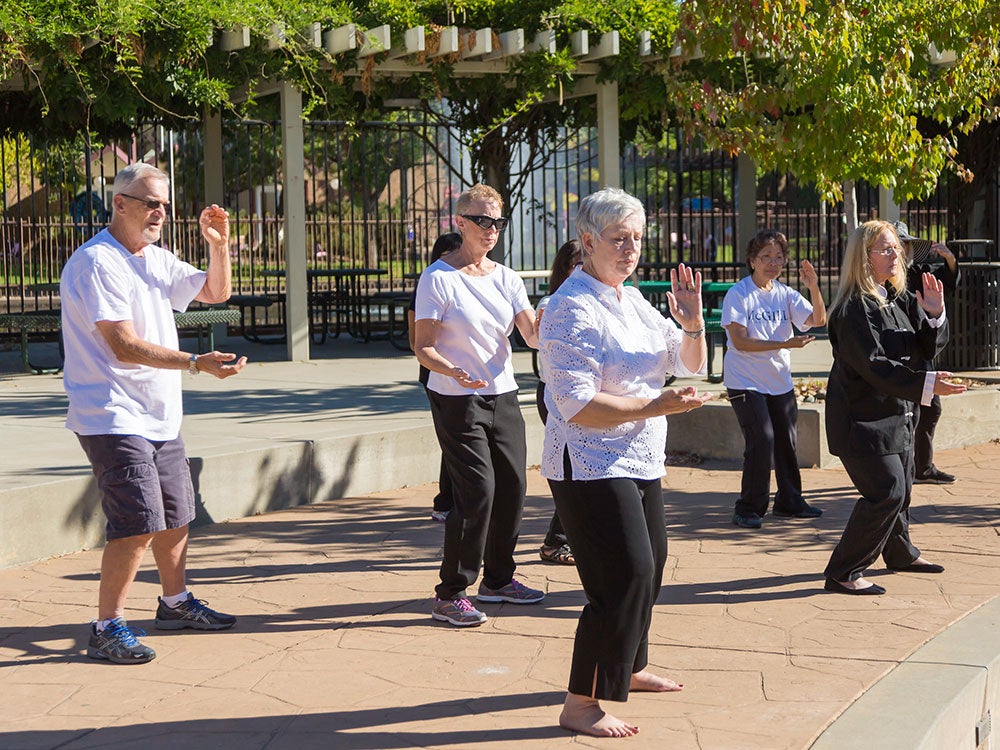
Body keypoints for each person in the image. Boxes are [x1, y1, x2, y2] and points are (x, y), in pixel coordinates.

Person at [539, 187, 712, 737]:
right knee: (622, 577)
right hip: (587, 459)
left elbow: (688, 365)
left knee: (652, 564)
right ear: (588, 243)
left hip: (639, 454)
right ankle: (581, 704)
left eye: (638, 238)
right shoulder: (569, 308)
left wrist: (692, 323)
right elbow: (578, 405)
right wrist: (656, 403)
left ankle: (628, 668)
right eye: (619, 239)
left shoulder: (631, 299)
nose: (631, 248)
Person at [60, 163, 248, 664]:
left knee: (176, 513)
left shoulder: (154, 258)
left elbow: (214, 293)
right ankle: (106, 626)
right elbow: (122, 345)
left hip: (159, 413)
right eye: (150, 203)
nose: (160, 212)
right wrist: (194, 362)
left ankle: (175, 602)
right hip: (111, 413)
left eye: (165, 204)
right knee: (137, 522)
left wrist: (218, 244)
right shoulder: (97, 262)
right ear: (119, 203)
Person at [413, 183, 544, 627]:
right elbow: (423, 346)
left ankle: (499, 580)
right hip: (456, 399)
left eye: (498, 223)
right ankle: (451, 592)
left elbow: (533, 336)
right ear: (461, 222)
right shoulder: (438, 277)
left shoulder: (508, 278)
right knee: (478, 493)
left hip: (503, 394)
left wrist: (559, 314)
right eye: (482, 221)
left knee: (512, 487)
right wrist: (452, 370)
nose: (491, 230)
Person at [822, 220, 966, 596]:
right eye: (885, 249)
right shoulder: (854, 308)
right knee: (887, 492)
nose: (896, 254)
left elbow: (925, 349)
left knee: (903, 490)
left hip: (899, 414)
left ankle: (900, 553)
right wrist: (928, 384)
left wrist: (935, 314)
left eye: (896, 248)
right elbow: (874, 365)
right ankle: (843, 571)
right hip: (861, 421)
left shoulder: (899, 297)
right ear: (863, 258)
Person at [721, 230, 827, 529]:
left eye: (778, 257)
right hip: (745, 381)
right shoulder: (739, 294)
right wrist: (785, 344)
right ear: (752, 260)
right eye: (766, 257)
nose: (773, 263)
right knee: (762, 440)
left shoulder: (785, 293)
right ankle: (748, 508)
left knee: (786, 442)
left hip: (778, 381)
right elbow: (740, 342)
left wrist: (814, 287)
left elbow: (819, 320)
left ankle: (790, 501)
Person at [893, 221, 961, 485]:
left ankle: (922, 466)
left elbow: (947, 283)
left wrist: (950, 259)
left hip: (923, 347)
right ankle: (911, 468)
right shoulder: (880, 281)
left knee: (930, 409)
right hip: (900, 353)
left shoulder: (918, 272)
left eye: (903, 245)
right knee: (910, 412)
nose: (899, 250)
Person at [408, 231, 463, 522]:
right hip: (436, 375)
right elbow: (416, 340)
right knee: (451, 438)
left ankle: (452, 500)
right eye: (447, 255)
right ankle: (445, 501)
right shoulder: (429, 285)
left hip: (470, 375)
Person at [533, 239, 582, 565]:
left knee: (580, 474)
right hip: (557, 395)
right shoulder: (551, 303)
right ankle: (556, 541)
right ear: (564, 268)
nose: (584, 269)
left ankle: (563, 539)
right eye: (577, 263)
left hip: (588, 397)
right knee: (571, 473)